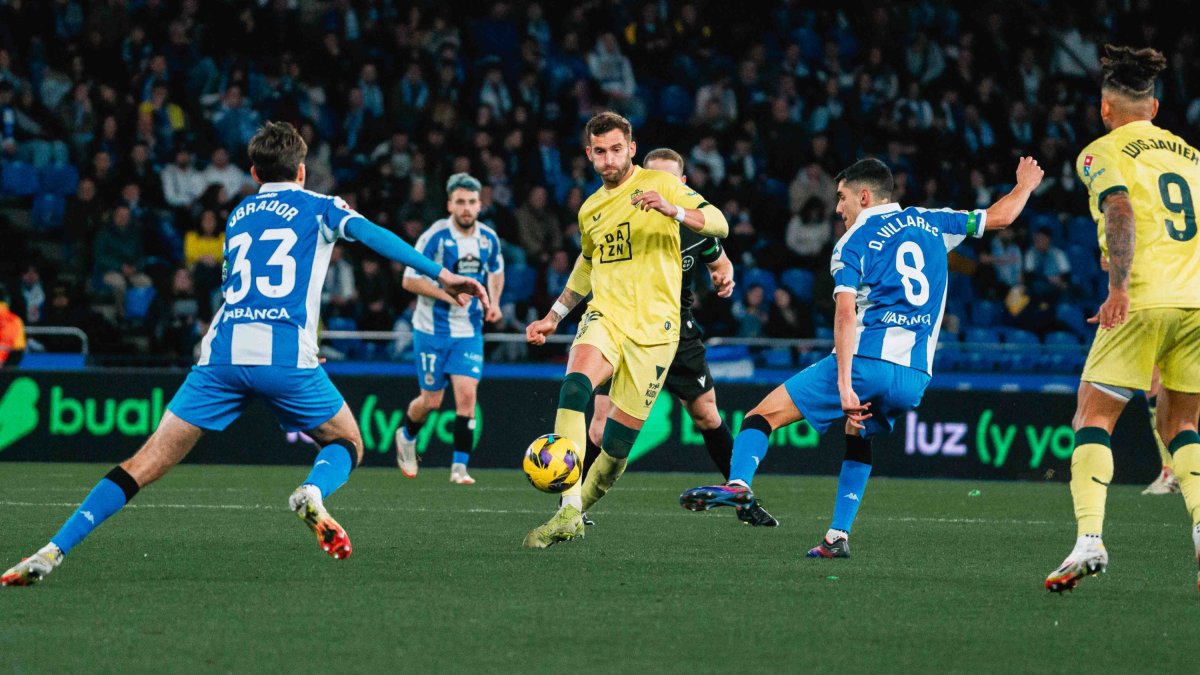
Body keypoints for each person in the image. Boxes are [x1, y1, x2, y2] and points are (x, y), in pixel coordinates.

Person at [1, 121, 487, 586]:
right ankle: (312, 491)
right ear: (301, 170)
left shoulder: (237, 216)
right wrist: (443, 276)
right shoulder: (321, 206)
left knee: (142, 463)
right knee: (348, 442)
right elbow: (375, 237)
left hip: (221, 355)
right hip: (286, 357)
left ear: (254, 174)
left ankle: (52, 549)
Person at [679, 156, 1044, 560]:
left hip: (867, 361)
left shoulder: (852, 242)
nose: (838, 208)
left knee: (759, 417)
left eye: (842, 198)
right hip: (915, 375)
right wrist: (1025, 184)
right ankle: (837, 536)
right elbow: (1000, 216)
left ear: (865, 196)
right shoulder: (933, 221)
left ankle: (739, 484)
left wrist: (844, 383)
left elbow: (845, 313)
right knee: (859, 432)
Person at [522, 112, 728, 548]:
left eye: (617, 149)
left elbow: (719, 224)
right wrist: (554, 316)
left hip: (656, 333)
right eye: (600, 151)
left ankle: (575, 515)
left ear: (632, 148)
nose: (609, 159)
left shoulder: (663, 184)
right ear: (589, 154)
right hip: (607, 317)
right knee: (575, 386)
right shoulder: (590, 208)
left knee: (615, 452)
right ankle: (566, 506)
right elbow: (587, 264)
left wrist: (672, 209)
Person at [1043, 46, 1200, 593]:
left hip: (1144, 297)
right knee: (1181, 425)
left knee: (1093, 412)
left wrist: (1117, 289)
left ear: (1105, 109)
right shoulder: (1192, 156)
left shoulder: (1100, 151)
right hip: (1197, 301)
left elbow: (1120, 208)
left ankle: (1089, 540)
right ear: (1153, 108)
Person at [579, 148, 770, 525]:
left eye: (667, 181)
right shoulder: (618, 220)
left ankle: (741, 497)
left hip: (677, 330)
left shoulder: (693, 227)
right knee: (600, 428)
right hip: (625, 327)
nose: (657, 188)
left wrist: (724, 275)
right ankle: (572, 506)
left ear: (681, 185)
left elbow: (719, 256)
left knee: (706, 415)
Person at [394, 173, 505, 485]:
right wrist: (447, 294)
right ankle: (406, 435)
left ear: (480, 204)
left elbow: (496, 271)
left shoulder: (488, 238)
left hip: (468, 331)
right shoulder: (435, 237)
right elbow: (409, 279)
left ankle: (459, 468)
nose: (466, 208)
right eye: (460, 202)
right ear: (449, 205)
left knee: (467, 396)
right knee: (430, 402)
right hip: (431, 330)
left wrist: (493, 302)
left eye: (471, 202)